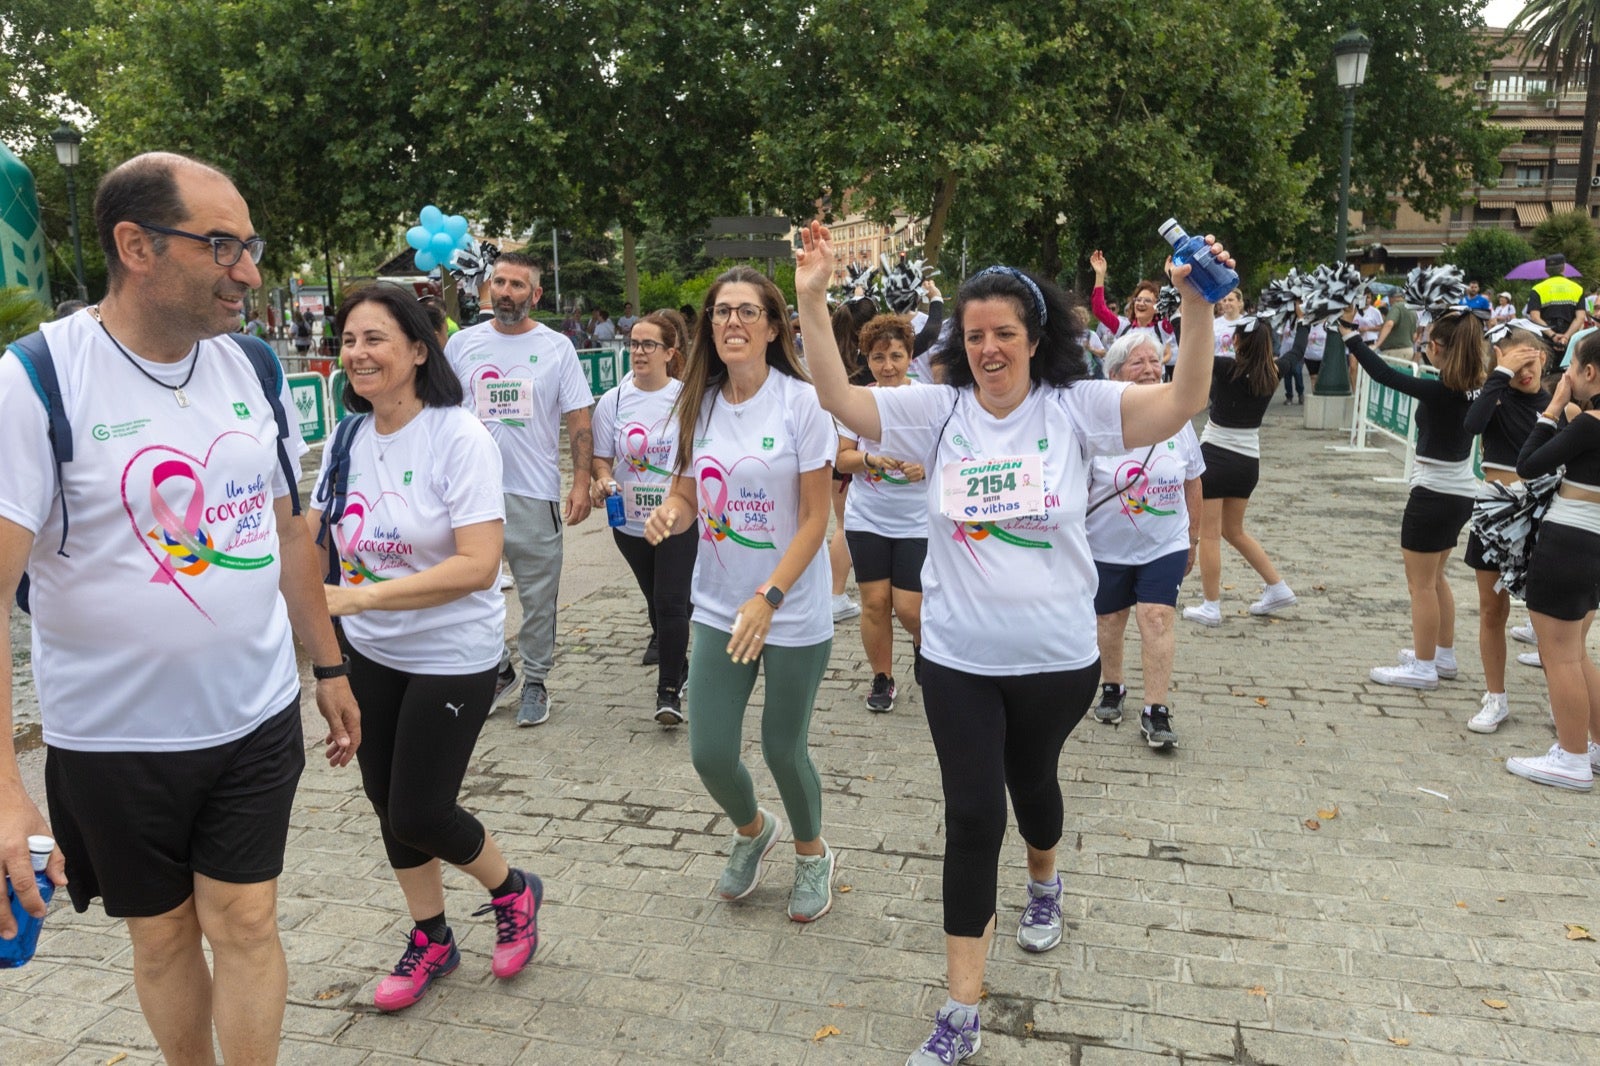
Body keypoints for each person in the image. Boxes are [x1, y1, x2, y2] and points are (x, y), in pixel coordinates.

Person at [798, 220, 1229, 1066]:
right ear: (957, 346)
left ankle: (1045, 880)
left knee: (1031, 783)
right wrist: (812, 298)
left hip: (1058, 661)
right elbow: (839, 400)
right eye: (973, 335)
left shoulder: (1076, 409)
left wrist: (1195, 304)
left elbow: (1181, 402)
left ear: (1036, 339)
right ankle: (961, 1012)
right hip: (957, 658)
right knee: (969, 815)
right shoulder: (938, 410)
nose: (988, 348)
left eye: (1004, 334)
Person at [0, 152, 359, 1062]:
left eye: (251, 245)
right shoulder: (35, 381)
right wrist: (5, 795)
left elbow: (287, 535)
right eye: (224, 246)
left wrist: (328, 665)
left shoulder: (254, 365)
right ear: (137, 245)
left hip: (252, 718)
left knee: (245, 918)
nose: (250, 270)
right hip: (113, 740)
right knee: (161, 937)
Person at [312, 284, 542, 1011]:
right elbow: (315, 545)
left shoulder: (458, 436)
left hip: (452, 654)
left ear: (418, 350)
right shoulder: (346, 438)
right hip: (370, 653)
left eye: (375, 338)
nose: (358, 353)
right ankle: (432, 938)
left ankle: (513, 891)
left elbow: (478, 565)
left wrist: (360, 596)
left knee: (419, 809)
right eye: (349, 339)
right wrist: (326, 651)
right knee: (385, 802)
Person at [641, 267, 837, 924]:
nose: (732, 321)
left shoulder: (800, 404)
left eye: (747, 311)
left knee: (784, 748)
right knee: (711, 751)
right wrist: (671, 511)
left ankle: (812, 854)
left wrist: (771, 596)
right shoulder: (698, 402)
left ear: (774, 326)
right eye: (722, 311)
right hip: (721, 604)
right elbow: (691, 492)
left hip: (790, 608)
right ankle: (754, 831)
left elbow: (816, 518)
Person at [444, 252, 594, 726]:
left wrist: (582, 482)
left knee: (537, 598)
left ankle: (535, 681)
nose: (506, 292)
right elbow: (443, 415)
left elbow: (578, 418)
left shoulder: (557, 348)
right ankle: (499, 671)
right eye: (500, 282)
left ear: (536, 294)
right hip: (470, 496)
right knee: (468, 594)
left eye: (517, 285)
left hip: (534, 492)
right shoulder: (463, 345)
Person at [1338, 305, 1487, 689]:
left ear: (1436, 348)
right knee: (1436, 578)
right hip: (1459, 494)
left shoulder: (1441, 390)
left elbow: (1384, 373)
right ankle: (1443, 655)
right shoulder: (1476, 389)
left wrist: (1350, 334)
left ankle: (1423, 667)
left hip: (1433, 495)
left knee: (1420, 584)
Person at [1088, 334, 1205, 749]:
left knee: (1156, 617)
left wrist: (1193, 538)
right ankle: (1112, 686)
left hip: (1165, 542)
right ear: (1115, 374)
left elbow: (1193, 479)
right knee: (1109, 620)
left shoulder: (1177, 421)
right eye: (1138, 363)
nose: (1151, 370)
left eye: (1155, 362)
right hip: (1105, 545)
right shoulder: (1097, 424)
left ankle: (1156, 709)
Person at [591, 309, 694, 724]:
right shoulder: (613, 400)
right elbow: (602, 459)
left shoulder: (689, 398)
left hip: (677, 519)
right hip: (629, 522)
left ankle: (668, 691)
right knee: (656, 600)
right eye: (634, 343)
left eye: (648, 345)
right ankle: (678, 661)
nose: (638, 351)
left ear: (670, 352)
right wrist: (602, 482)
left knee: (671, 601)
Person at [1506, 337, 1600, 789]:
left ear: (1590, 373)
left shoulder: (1589, 425)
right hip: (1594, 545)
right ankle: (1592, 746)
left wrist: (1554, 407)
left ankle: (1572, 757)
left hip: (1568, 542)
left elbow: (1527, 464)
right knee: (1577, 652)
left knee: (1557, 655)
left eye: (1573, 368)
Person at [836, 314, 928, 713]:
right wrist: (870, 460)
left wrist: (924, 467)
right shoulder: (856, 399)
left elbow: (954, 454)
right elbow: (842, 459)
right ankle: (882, 678)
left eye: (895, 356)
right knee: (874, 603)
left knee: (909, 607)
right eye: (878, 357)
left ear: (910, 357)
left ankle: (925, 646)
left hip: (918, 520)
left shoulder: (930, 399)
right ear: (866, 360)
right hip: (868, 517)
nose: (887, 365)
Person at [1181, 314, 1297, 627]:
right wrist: (1306, 321)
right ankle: (1278, 586)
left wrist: (1186, 317)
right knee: (1234, 531)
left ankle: (1211, 605)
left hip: (1216, 459)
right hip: (1248, 464)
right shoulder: (1274, 371)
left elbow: (1193, 351)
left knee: (1210, 536)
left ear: (1236, 341)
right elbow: (1296, 354)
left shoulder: (1224, 366)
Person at [1462, 324, 1550, 733]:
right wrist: (1500, 375)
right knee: (1491, 609)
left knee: (1547, 616)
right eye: (1516, 365)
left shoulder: (1557, 404)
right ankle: (1496, 697)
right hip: (1495, 512)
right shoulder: (1495, 396)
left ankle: (1560, 701)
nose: (1524, 374)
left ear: (1543, 359)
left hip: (1541, 516)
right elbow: (1472, 426)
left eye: (1529, 363)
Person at [1089, 251, 1174, 375]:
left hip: (1154, 384)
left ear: (1157, 307)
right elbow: (1099, 309)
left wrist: (1173, 277)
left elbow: (1176, 307)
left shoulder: (1162, 328)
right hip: (1129, 385)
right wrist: (1100, 275)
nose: (1141, 303)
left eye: (1147, 300)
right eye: (1138, 299)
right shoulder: (1123, 327)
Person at [1528, 255, 1587, 348]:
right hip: (1569, 338)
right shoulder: (1578, 289)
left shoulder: (1537, 289)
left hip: (1545, 338)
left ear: (1546, 270)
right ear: (1564, 268)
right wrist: (1566, 336)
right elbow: (1580, 317)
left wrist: (1552, 335)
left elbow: (1534, 317)